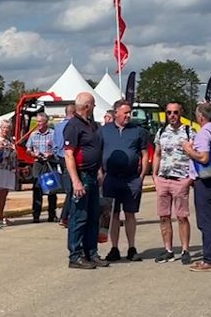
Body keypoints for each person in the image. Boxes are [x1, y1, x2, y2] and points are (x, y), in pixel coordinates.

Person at [64, 92, 108, 269]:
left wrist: (98, 169)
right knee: (79, 217)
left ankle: (91, 252)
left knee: (92, 216)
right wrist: (76, 181)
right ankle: (75, 255)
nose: (94, 108)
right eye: (93, 105)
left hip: (92, 175)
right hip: (81, 176)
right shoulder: (74, 126)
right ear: (87, 106)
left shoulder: (91, 125)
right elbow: (69, 155)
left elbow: (94, 149)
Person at [101, 100, 149, 261]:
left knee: (130, 214)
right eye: (125, 112)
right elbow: (98, 152)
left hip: (131, 180)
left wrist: (141, 176)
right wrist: (100, 173)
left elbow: (145, 154)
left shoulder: (138, 131)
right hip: (111, 179)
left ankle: (131, 248)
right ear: (116, 113)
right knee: (113, 215)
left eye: (130, 112)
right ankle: (114, 248)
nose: (128, 115)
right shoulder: (104, 131)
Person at [181, 101, 211, 271]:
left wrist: (187, 149)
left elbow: (204, 158)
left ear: (200, 116)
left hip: (205, 180)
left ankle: (209, 260)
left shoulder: (203, 133)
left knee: (205, 221)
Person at [152, 101, 193, 264]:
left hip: (180, 179)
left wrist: (189, 179)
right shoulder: (161, 132)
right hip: (163, 179)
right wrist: (155, 175)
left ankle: (185, 250)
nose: (172, 116)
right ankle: (168, 249)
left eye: (175, 112)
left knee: (182, 217)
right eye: (169, 113)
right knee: (164, 216)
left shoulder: (189, 132)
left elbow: (195, 156)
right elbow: (157, 154)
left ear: (180, 113)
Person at [26, 112, 59, 223]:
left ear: (46, 122)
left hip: (50, 163)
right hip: (38, 164)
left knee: (51, 190)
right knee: (37, 190)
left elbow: (58, 149)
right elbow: (28, 149)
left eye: (40, 122)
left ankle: (52, 215)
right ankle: (36, 215)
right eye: (37, 122)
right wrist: (33, 154)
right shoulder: (33, 135)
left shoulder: (53, 134)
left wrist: (51, 154)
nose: (38, 124)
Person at [0, 117, 16, 225]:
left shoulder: (11, 140)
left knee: (4, 194)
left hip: (9, 169)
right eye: (4, 127)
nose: (6, 129)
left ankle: (1, 215)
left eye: (8, 128)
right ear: (0, 128)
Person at [54, 103, 77, 226]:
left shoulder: (57, 127)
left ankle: (66, 215)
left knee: (69, 187)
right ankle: (65, 216)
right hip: (70, 157)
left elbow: (55, 145)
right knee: (72, 188)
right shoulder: (73, 126)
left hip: (61, 158)